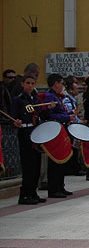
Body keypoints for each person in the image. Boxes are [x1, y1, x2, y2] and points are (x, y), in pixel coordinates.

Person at [11, 75, 48, 204]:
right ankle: (24, 194)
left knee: (37, 164)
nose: (30, 86)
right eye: (28, 83)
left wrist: (49, 108)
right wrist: (15, 122)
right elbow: (13, 116)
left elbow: (41, 114)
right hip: (25, 132)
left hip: (36, 131)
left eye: (33, 83)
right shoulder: (18, 100)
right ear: (22, 84)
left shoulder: (36, 100)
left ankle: (33, 192)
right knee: (28, 165)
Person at [42, 73, 74, 198]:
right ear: (56, 84)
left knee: (62, 160)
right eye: (62, 83)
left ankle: (60, 185)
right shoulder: (49, 96)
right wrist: (67, 117)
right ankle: (54, 188)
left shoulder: (57, 96)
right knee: (55, 160)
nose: (63, 86)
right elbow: (49, 115)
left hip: (61, 129)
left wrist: (69, 114)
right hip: (54, 130)